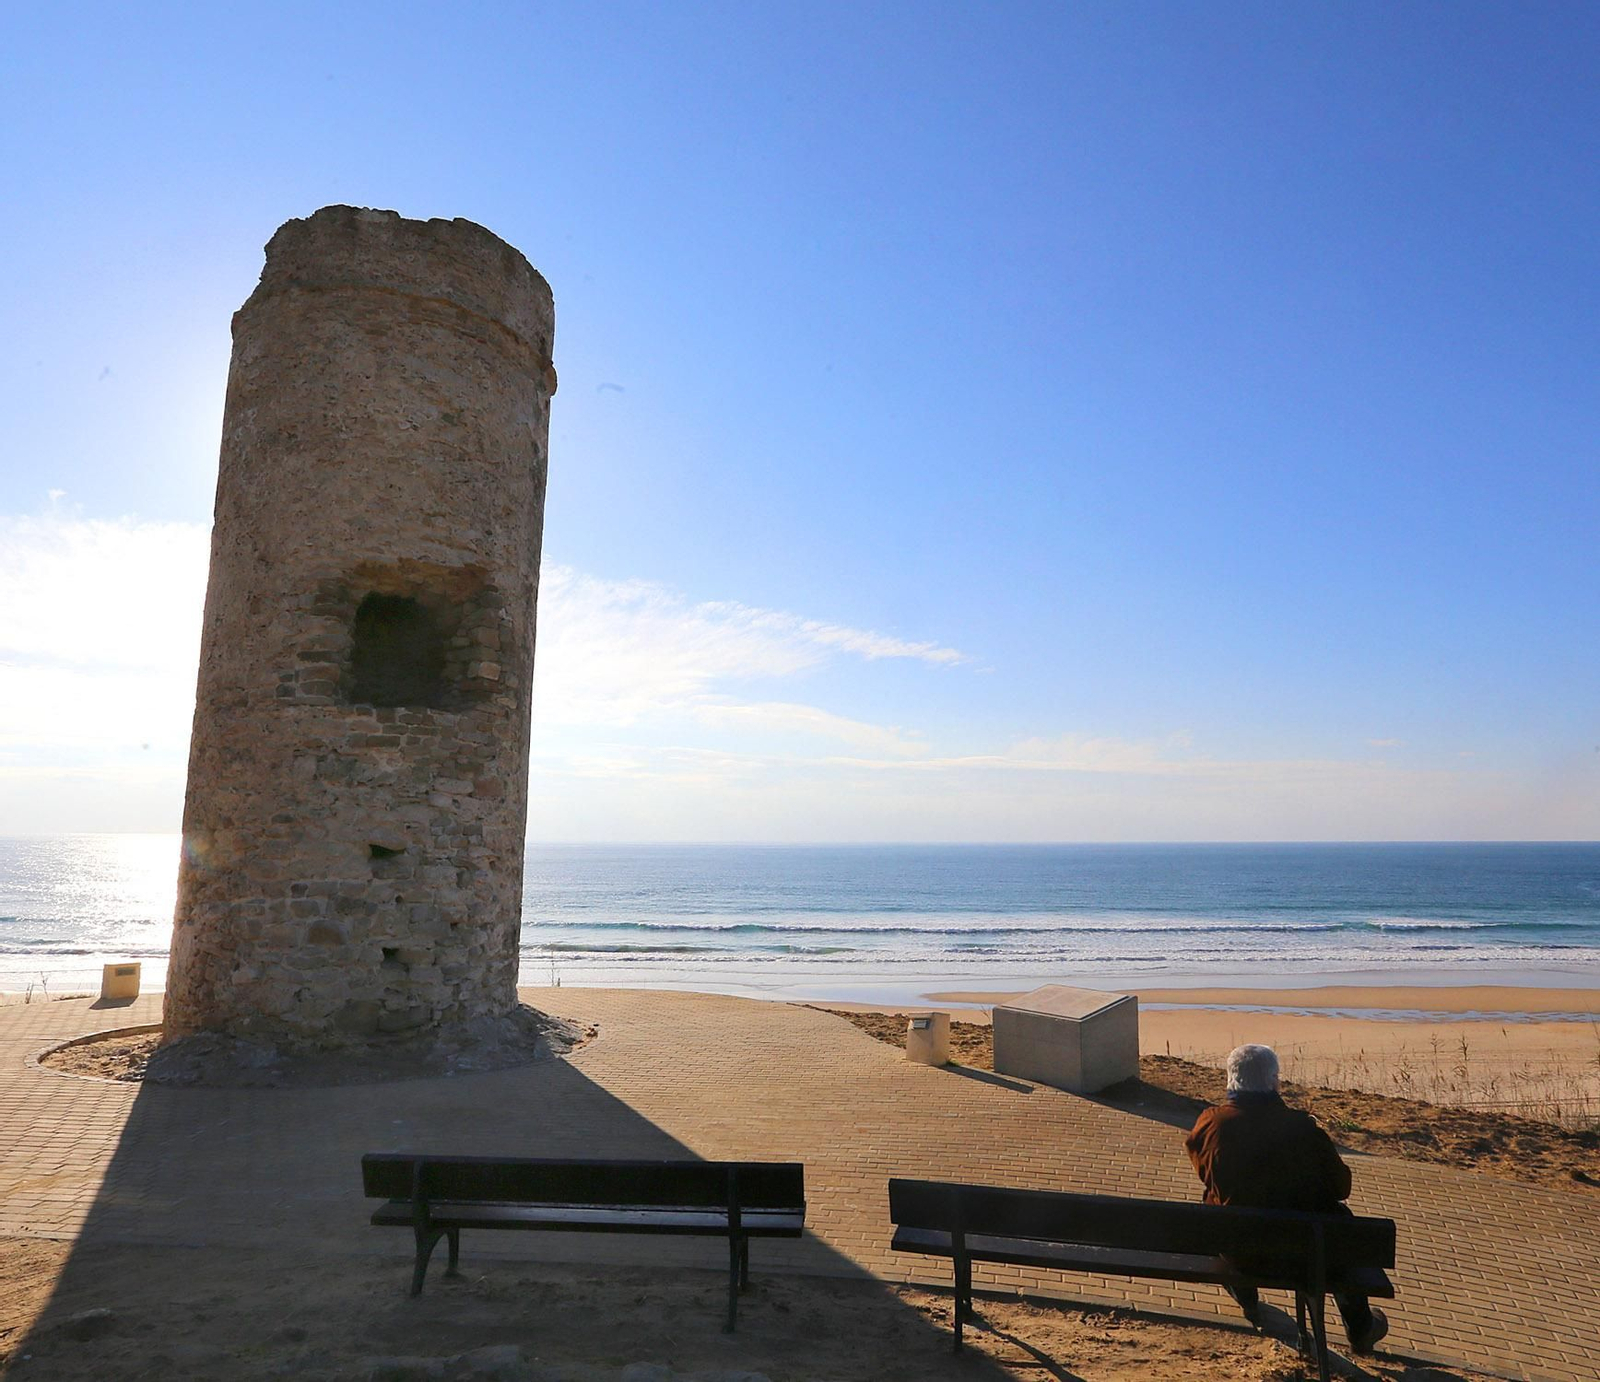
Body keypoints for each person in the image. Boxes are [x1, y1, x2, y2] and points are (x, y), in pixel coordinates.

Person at [1184, 1043, 1388, 1354]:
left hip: (1239, 1253)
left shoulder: (1211, 1124)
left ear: (1231, 1080)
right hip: (1308, 1255)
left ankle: (1248, 1300)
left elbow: (1205, 1174)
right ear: (1273, 1081)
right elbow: (1341, 1188)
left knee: (1214, 1207)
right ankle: (1359, 1326)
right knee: (1338, 1226)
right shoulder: (1302, 1130)